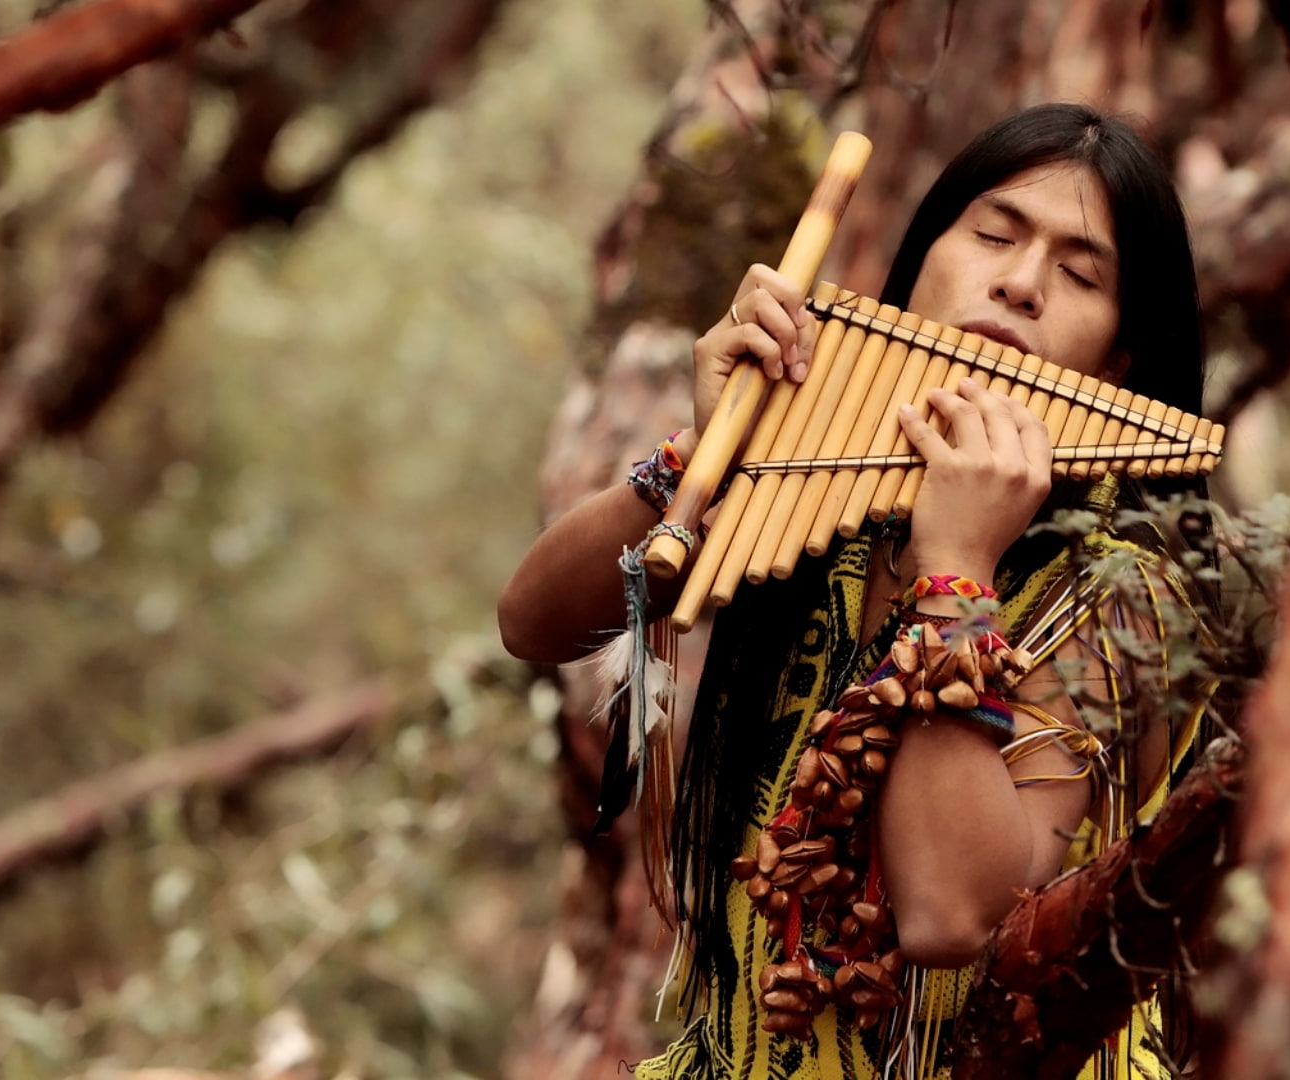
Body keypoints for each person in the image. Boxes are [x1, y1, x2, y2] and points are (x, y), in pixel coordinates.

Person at [500, 103, 1214, 1080]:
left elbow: (950, 913)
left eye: (1080, 273)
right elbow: (533, 622)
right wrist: (700, 458)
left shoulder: (1130, 592)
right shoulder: (820, 484)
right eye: (995, 235)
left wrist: (954, 565)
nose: (1019, 282)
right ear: (921, 265)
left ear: (1121, 365)